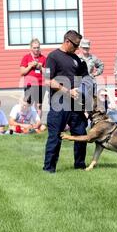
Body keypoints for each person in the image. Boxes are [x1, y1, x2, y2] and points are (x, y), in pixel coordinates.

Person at [43, 30, 89, 173]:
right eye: (75, 45)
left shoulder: (76, 58)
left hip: (75, 103)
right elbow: (48, 81)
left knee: (81, 134)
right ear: (67, 41)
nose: (77, 48)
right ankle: (49, 169)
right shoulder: (53, 57)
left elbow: (85, 79)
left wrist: (81, 90)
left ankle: (80, 166)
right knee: (55, 137)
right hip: (59, 103)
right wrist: (68, 91)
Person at [20, 38, 47, 118]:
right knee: (28, 104)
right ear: (31, 48)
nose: (36, 49)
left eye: (38, 47)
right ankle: (27, 122)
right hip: (29, 84)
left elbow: (48, 73)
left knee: (39, 105)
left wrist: (40, 67)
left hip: (41, 85)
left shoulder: (44, 58)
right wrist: (30, 66)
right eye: (34, 48)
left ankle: (37, 123)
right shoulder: (26, 57)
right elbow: (22, 72)